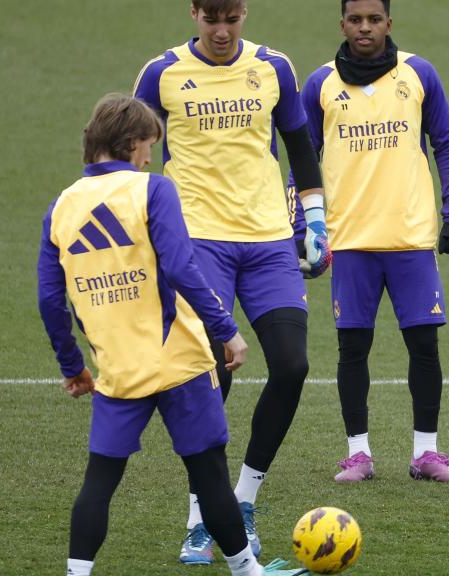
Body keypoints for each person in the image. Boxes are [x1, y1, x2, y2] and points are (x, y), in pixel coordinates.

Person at [133, 0, 329, 564]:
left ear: (245, 13)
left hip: (268, 241)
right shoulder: (162, 73)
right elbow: (132, 152)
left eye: (232, 19)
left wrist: (315, 220)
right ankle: (200, 517)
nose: (222, 31)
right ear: (193, 13)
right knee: (211, 376)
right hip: (198, 242)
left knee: (291, 365)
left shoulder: (274, 68)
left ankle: (242, 500)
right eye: (211, 19)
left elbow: (300, 148)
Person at [37, 93, 264, 576]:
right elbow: (181, 267)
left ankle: (76, 573)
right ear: (131, 142)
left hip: (118, 371)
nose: (148, 157)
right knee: (209, 474)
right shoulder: (153, 190)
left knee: (100, 481)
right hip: (180, 362)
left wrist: (73, 367)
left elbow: (50, 301)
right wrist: (226, 329)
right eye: (148, 146)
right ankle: (248, 570)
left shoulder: (61, 208)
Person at [296, 0, 449, 483]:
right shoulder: (320, 84)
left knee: (424, 346)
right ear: (342, 25)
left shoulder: (419, 74)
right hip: (349, 240)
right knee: (352, 348)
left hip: (411, 238)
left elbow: (447, 141)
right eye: (356, 20)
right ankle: (359, 455)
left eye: (374, 20)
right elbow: (302, 161)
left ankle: (426, 454)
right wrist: (300, 225)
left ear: (389, 23)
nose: (365, 28)